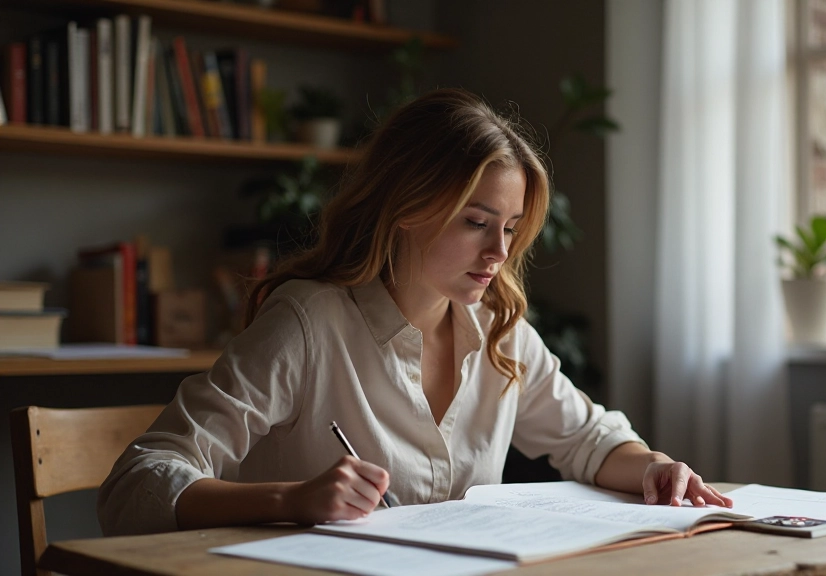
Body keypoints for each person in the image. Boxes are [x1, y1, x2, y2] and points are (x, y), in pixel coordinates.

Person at [98, 88, 732, 536]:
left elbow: (589, 441)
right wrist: (294, 499)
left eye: (510, 227)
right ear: (406, 207)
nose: (499, 252)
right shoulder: (308, 324)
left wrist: (653, 466)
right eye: (477, 222)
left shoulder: (499, 333)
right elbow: (137, 483)